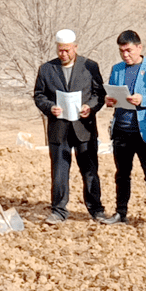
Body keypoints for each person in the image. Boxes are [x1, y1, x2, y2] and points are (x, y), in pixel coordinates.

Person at [33, 29, 108, 224]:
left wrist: (89, 108)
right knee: (59, 171)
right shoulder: (46, 69)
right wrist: (50, 108)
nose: (63, 54)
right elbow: (39, 95)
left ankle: (96, 209)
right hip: (59, 129)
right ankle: (58, 210)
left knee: (90, 170)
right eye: (60, 50)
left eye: (67, 50)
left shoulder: (90, 66)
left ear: (75, 47)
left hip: (84, 127)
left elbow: (99, 95)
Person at [100, 30, 146, 230]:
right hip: (122, 128)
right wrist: (109, 101)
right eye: (121, 51)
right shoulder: (117, 69)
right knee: (122, 174)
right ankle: (121, 212)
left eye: (128, 50)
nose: (125, 55)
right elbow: (112, 94)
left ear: (139, 47)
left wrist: (143, 100)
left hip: (144, 128)